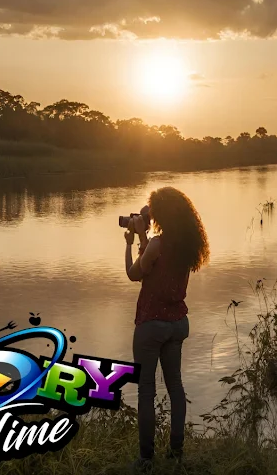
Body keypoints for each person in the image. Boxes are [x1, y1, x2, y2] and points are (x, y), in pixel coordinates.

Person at [124, 186, 209, 472]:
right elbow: (156, 266)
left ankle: (146, 458)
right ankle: (176, 450)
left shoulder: (157, 244)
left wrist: (132, 240)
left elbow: (135, 273)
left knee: (146, 390)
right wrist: (144, 238)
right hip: (177, 324)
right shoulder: (187, 246)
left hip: (151, 325)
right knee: (175, 386)